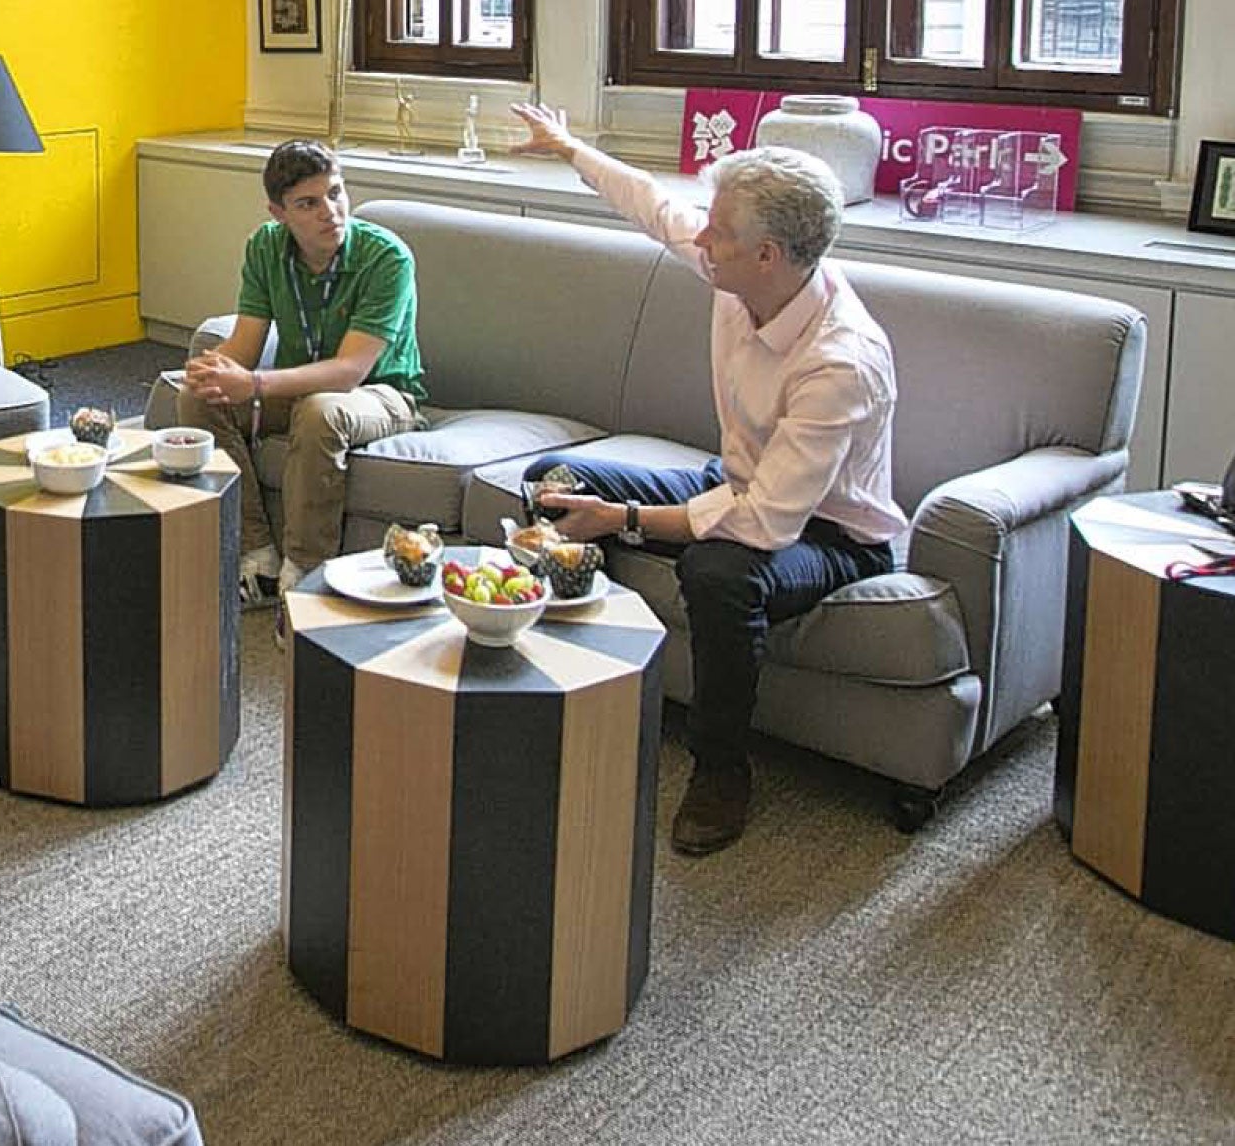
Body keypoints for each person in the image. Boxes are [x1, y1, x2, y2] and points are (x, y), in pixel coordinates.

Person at [511, 103, 904, 855]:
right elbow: (653, 207)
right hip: (735, 483)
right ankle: (576, 687)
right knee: (551, 478)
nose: (701, 238)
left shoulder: (841, 361)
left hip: (833, 534)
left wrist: (621, 520)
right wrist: (568, 147)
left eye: (717, 230)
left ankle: (721, 769)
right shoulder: (739, 273)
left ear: (768, 255)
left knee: (719, 570)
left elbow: (764, 525)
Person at [176, 139, 426, 606]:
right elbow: (245, 347)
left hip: (383, 394)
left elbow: (350, 371)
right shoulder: (266, 247)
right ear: (279, 212)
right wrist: (214, 368)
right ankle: (256, 555)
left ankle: (307, 572)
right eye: (308, 204)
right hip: (298, 386)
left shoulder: (386, 257)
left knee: (319, 411)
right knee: (196, 399)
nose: (329, 211)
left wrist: (251, 383)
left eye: (336, 193)